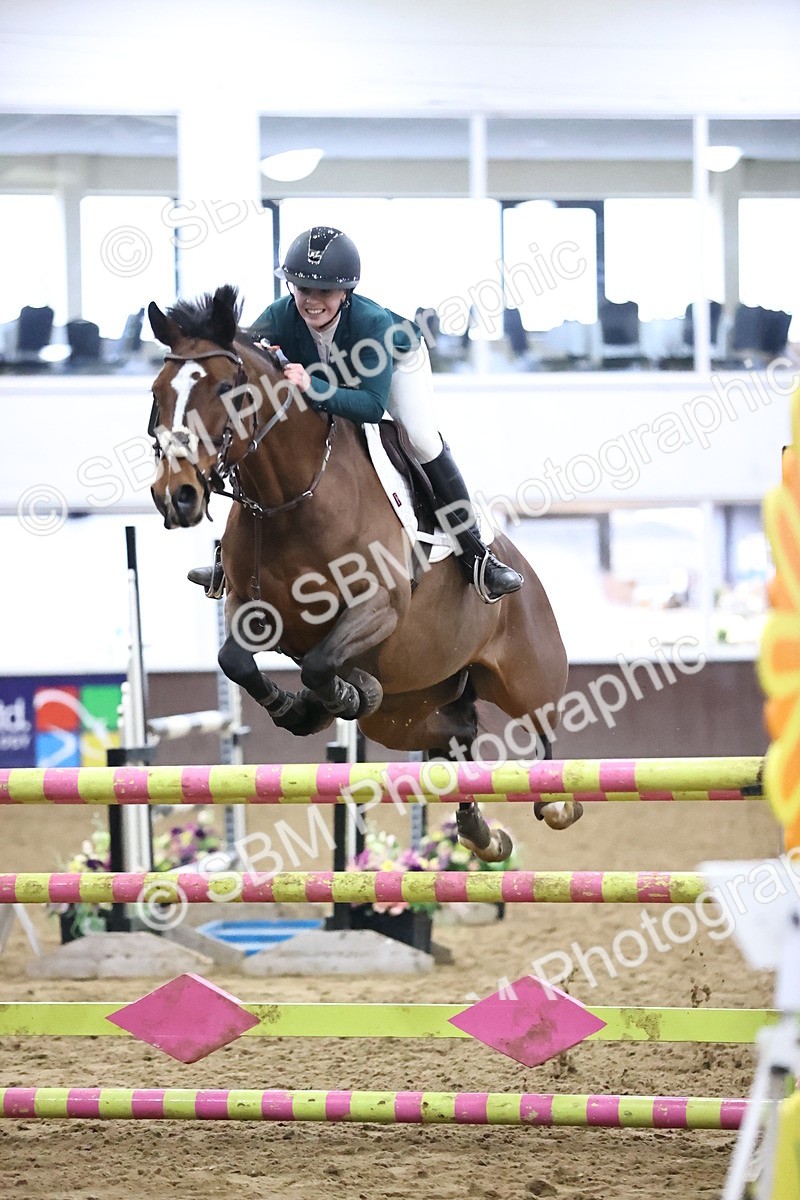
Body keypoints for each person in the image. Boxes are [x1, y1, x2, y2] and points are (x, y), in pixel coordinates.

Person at [190, 226, 522, 603]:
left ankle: (476, 554)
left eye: (325, 292)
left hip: (393, 369)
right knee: (261, 440)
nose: (312, 301)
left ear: (345, 292)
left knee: (422, 438)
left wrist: (312, 387)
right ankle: (226, 559)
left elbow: (370, 407)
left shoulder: (373, 323)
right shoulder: (279, 314)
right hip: (329, 376)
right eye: (302, 289)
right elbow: (243, 357)